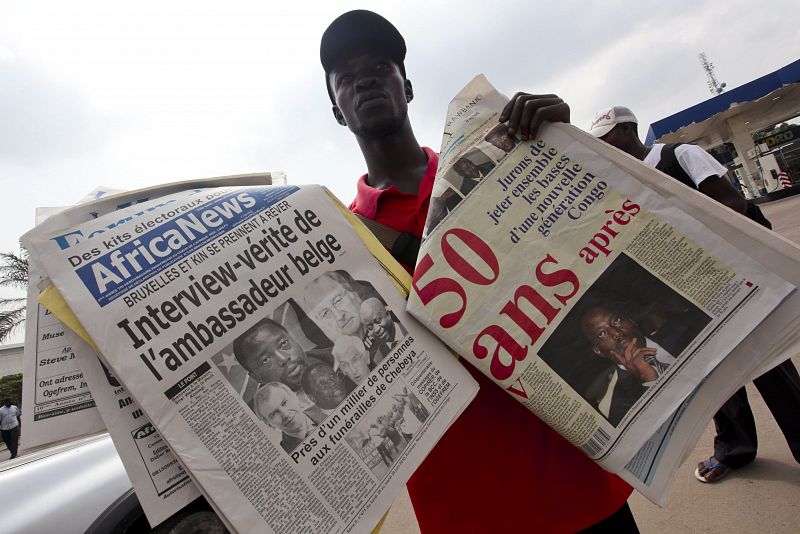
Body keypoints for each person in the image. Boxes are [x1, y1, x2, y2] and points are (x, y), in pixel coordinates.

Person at [321, 10, 636, 531]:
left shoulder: (504, 165)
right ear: (337, 109)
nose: (365, 80)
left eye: (380, 65)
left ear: (408, 86)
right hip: (466, 504)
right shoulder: (345, 246)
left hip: (576, 482)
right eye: (346, 78)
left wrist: (569, 150)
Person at [590, 105, 800, 483]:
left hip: (730, 283)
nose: (605, 146)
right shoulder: (625, 179)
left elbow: (733, 203)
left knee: (768, 367)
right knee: (711, 375)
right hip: (682, 297)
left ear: (626, 130)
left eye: (607, 138)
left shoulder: (678, 156)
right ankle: (735, 450)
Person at [580, 302, 677, 425]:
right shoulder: (620, 407)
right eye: (601, 334)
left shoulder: (685, 328)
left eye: (616, 321)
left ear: (631, 321)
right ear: (598, 351)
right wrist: (650, 382)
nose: (616, 333)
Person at [233, 317, 334, 411]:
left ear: (293, 339)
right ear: (257, 378)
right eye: (266, 360)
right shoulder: (262, 415)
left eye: (284, 343)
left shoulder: (338, 354)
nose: (284, 358)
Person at [254, 382, 324, 453]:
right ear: (269, 424)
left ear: (294, 397)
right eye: (274, 414)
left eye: (284, 403)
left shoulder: (327, 408)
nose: (285, 414)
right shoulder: (284, 453)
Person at [360, 296, 406, 362]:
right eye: (370, 327)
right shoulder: (377, 359)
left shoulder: (410, 326)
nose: (376, 329)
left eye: (378, 320)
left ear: (388, 315)